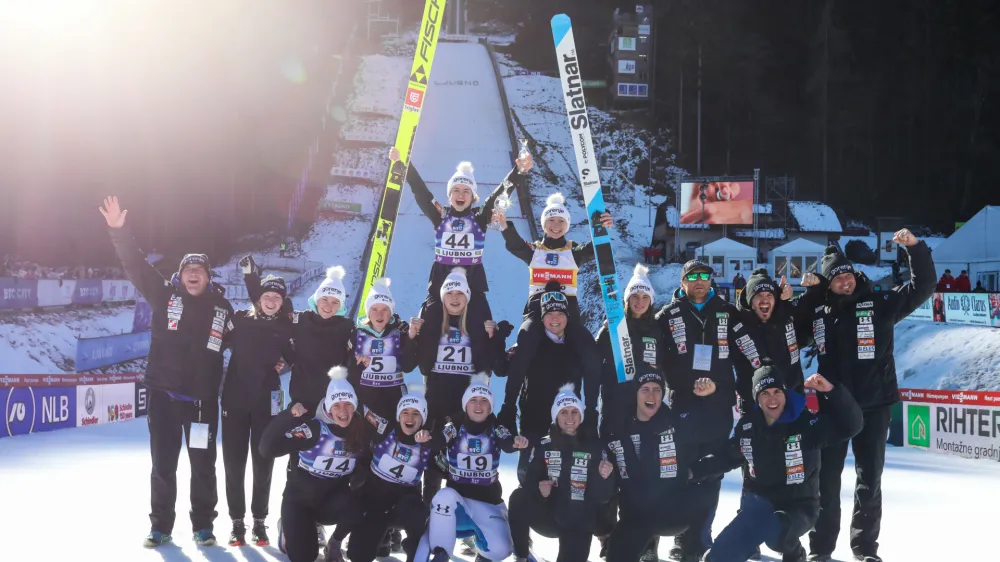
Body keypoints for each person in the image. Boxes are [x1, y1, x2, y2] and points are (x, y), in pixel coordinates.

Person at [100, 196, 235, 548]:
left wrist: (280, 356)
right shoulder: (165, 296)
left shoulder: (223, 307)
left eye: (200, 271)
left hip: (202, 403)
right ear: (181, 275)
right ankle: (160, 526)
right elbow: (136, 265)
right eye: (188, 271)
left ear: (207, 277)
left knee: (203, 467)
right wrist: (118, 231)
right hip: (163, 398)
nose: (194, 275)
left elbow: (246, 339)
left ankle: (203, 526)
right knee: (163, 466)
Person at [795, 229, 935, 562]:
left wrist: (914, 249)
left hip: (874, 406)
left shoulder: (879, 304)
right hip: (833, 409)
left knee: (869, 481)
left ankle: (865, 549)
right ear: (827, 284)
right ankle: (821, 550)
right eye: (836, 277)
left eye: (848, 274)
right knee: (826, 482)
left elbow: (923, 287)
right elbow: (792, 333)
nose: (845, 281)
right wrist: (810, 295)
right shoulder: (819, 314)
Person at [694, 365, 863, 562]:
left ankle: (794, 553)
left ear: (785, 394)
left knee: (777, 534)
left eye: (777, 392)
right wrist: (691, 472)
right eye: (765, 393)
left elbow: (851, 425)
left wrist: (833, 393)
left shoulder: (805, 422)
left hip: (799, 506)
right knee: (717, 557)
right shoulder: (749, 427)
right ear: (757, 398)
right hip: (759, 507)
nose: (772, 399)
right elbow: (726, 457)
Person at [654, 260, 764, 561]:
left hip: (718, 403)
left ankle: (700, 538)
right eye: (693, 277)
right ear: (683, 282)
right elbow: (651, 354)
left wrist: (762, 382)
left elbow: (751, 353)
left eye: (705, 276)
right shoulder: (669, 314)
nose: (700, 281)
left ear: (712, 281)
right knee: (682, 471)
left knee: (711, 473)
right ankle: (682, 538)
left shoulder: (728, 312)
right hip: (683, 405)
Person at [388, 146, 531, 318]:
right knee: (426, 325)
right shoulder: (441, 215)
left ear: (473, 197)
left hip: (473, 286)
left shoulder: (479, 216)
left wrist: (519, 171)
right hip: (440, 286)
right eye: (456, 190)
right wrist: (405, 165)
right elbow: (421, 193)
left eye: (466, 191)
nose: (461, 195)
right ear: (449, 195)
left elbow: (501, 192)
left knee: (484, 327)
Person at [409, 267, 513, 499]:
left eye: (460, 294)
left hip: (466, 402)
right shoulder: (434, 324)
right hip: (436, 399)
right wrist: (412, 336)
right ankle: (429, 508)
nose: (455, 299)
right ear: (442, 296)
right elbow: (419, 364)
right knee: (432, 457)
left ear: (468, 297)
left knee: (464, 452)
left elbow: (493, 366)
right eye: (449, 293)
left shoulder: (477, 325)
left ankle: (465, 508)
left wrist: (496, 338)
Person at [499, 192, 611, 393]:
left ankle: (591, 408)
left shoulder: (573, 251)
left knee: (589, 353)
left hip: (568, 313)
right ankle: (509, 405)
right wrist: (503, 224)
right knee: (525, 345)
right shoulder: (535, 250)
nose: (556, 225)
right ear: (543, 223)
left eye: (561, 221)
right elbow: (515, 245)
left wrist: (602, 226)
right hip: (537, 310)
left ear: (567, 224)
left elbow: (594, 249)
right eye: (551, 220)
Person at [604, 373, 719, 562]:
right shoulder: (618, 429)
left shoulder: (677, 423)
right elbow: (605, 479)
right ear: (635, 394)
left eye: (657, 390)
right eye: (645, 390)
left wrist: (695, 472)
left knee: (703, 494)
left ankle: (694, 548)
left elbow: (713, 434)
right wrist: (604, 527)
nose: (652, 396)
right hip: (634, 516)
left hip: (671, 513)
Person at [414, 375, 530, 562]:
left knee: (501, 550)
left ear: (490, 406)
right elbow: (440, 438)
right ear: (465, 404)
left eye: (484, 401)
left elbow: (507, 442)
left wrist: (516, 441)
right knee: (443, 497)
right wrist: (427, 437)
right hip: (458, 502)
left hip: (488, 502)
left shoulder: (495, 426)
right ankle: (441, 553)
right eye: (473, 400)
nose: (478, 405)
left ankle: (484, 554)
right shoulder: (455, 424)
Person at [260, 367, 367, 562]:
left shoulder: (359, 431)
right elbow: (267, 449)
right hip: (300, 502)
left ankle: (334, 543)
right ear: (327, 407)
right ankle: (287, 528)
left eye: (348, 405)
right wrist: (287, 416)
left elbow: (368, 464)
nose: (343, 412)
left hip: (330, 504)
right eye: (336, 405)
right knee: (305, 557)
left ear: (355, 406)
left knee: (359, 505)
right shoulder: (314, 429)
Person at [499, 280, 601, 483]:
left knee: (564, 477)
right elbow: (511, 373)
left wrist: (590, 412)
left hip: (567, 421)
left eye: (560, 314)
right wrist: (509, 407)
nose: (555, 319)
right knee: (530, 477)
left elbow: (593, 374)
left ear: (567, 317)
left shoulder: (577, 344)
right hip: (534, 419)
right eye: (550, 315)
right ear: (543, 317)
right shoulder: (531, 342)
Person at [220, 270, 295, 547]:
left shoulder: (286, 326)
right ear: (258, 298)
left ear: (282, 301)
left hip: (267, 403)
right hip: (235, 402)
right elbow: (216, 341)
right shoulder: (240, 320)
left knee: (264, 461)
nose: (272, 301)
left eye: (277, 297)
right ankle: (237, 521)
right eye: (267, 296)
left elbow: (296, 357)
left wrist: (283, 364)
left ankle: (260, 520)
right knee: (234, 463)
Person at [508, 384, 617, 562]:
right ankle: (522, 556)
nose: (569, 418)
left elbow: (604, 497)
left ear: (581, 415)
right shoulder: (544, 446)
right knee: (518, 496)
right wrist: (540, 492)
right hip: (550, 516)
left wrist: (604, 477)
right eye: (563, 412)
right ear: (556, 416)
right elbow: (528, 484)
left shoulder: (595, 446)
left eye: (574, 412)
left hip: (580, 520)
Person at [347, 388, 443, 562]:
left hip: (404, 504)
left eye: (416, 414)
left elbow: (446, 462)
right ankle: (380, 541)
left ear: (423, 419)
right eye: (405, 412)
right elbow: (361, 407)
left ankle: (416, 556)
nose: (409, 418)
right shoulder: (385, 428)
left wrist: (435, 441)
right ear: (398, 416)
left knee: (419, 514)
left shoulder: (427, 443)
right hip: (375, 501)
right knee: (357, 555)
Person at [350, 277, 418, 437]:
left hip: (392, 397)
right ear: (367, 311)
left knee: (391, 439)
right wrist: (357, 364)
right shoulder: (357, 333)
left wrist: (411, 339)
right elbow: (350, 374)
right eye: (374, 309)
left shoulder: (399, 332)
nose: (379, 314)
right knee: (366, 440)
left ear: (391, 312)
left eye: (385, 309)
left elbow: (408, 366)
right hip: (366, 398)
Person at [286, 265, 356, 410]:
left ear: (341, 305)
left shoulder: (347, 326)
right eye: (324, 299)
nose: (328, 306)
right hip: (301, 400)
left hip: (333, 401)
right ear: (316, 299)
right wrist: (285, 360)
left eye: (335, 302)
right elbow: (273, 331)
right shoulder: (300, 320)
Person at [732, 269, 800, 416]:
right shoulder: (736, 326)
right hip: (753, 407)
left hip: (790, 401)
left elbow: (816, 305)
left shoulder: (788, 318)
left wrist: (815, 284)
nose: (764, 299)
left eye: (769, 295)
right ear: (750, 302)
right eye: (758, 295)